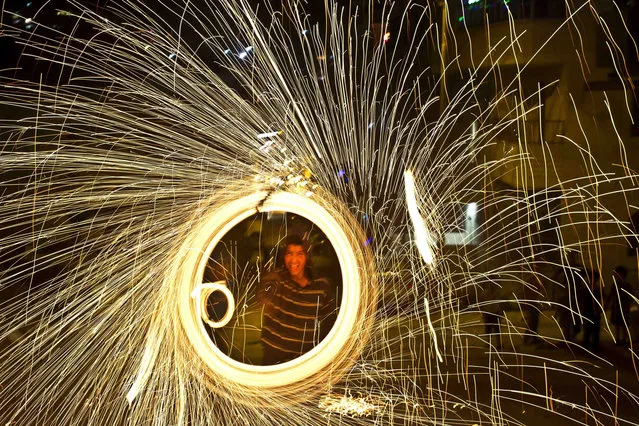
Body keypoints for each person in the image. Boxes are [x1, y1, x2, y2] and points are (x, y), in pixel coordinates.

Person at [257, 235, 337, 365]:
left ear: (307, 257)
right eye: (289, 253)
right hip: (272, 361)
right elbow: (262, 298)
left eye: (300, 253)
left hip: (305, 363)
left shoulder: (321, 287)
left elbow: (331, 324)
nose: (293, 259)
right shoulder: (277, 280)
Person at [607, 266, 634, 346]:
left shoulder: (626, 285)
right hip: (616, 307)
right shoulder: (615, 285)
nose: (617, 276)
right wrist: (607, 304)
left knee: (623, 324)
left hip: (623, 307)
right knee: (618, 324)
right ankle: (618, 339)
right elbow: (611, 295)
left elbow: (630, 296)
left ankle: (623, 339)